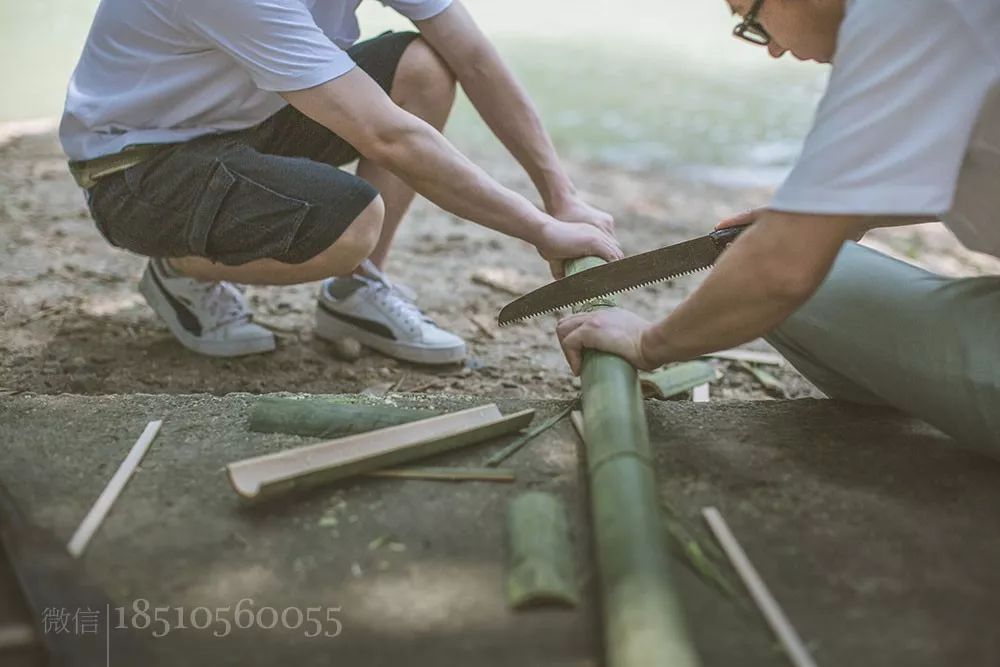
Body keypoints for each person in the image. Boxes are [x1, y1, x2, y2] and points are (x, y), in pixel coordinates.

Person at [61, 0, 621, 364]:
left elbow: (471, 56)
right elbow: (387, 136)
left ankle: (357, 289)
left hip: (245, 119)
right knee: (353, 224)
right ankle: (176, 269)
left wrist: (560, 195)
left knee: (424, 66)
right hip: (137, 169)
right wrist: (539, 230)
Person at [557, 0, 1000, 451]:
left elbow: (778, 271)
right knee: (774, 265)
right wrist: (856, 214)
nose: (770, 50)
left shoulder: (898, 24)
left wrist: (648, 344)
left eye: (750, 20)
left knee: (770, 281)